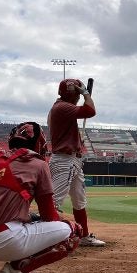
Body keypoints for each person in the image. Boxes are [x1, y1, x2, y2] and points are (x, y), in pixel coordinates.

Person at [0, 122, 81, 273]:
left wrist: (29, 216)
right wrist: (55, 220)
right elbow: (49, 216)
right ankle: (15, 271)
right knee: (72, 232)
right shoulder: (38, 164)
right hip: (4, 241)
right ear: (40, 144)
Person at [47, 78, 105, 246]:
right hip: (64, 160)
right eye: (77, 94)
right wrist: (86, 93)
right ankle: (48, 240)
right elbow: (90, 110)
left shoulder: (61, 107)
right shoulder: (62, 107)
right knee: (55, 202)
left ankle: (84, 236)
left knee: (79, 201)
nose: (78, 97)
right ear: (73, 94)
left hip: (71, 159)